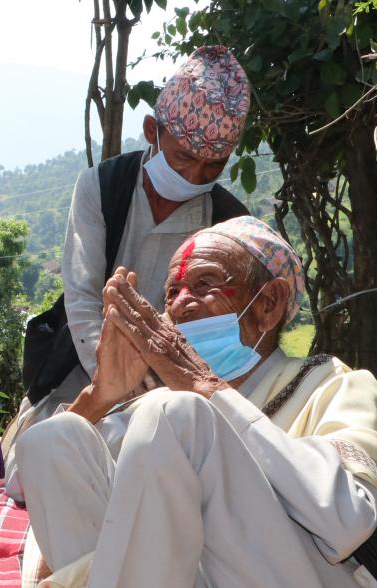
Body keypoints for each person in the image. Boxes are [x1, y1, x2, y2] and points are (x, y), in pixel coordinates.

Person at [10, 217, 377, 588]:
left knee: (180, 417)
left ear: (268, 304)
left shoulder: (331, 385)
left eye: (205, 284)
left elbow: (347, 518)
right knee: (53, 441)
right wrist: (101, 394)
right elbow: (30, 481)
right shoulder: (151, 407)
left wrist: (208, 393)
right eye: (172, 293)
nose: (181, 303)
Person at [13, 46, 252, 436]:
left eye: (212, 166)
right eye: (182, 158)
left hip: (173, 393)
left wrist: (157, 388)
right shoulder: (102, 188)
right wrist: (113, 381)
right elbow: (82, 296)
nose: (194, 177)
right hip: (83, 371)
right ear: (151, 131)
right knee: (43, 447)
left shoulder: (226, 223)